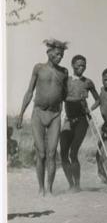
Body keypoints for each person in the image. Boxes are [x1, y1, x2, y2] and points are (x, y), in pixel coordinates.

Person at [17, 39, 69, 196]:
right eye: (57, 54)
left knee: (52, 153)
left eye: (62, 55)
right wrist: (20, 114)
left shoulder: (64, 72)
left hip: (54, 115)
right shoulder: (38, 68)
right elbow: (29, 92)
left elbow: (65, 94)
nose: (60, 57)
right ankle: (41, 189)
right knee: (41, 153)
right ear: (49, 53)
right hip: (38, 113)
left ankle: (50, 189)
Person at [60, 55, 99, 192]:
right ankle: (71, 184)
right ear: (72, 65)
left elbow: (98, 99)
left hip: (82, 120)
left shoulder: (88, 82)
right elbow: (59, 97)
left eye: (83, 65)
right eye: (78, 65)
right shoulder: (66, 81)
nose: (81, 67)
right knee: (63, 153)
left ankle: (77, 185)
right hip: (68, 120)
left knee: (73, 152)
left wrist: (91, 108)